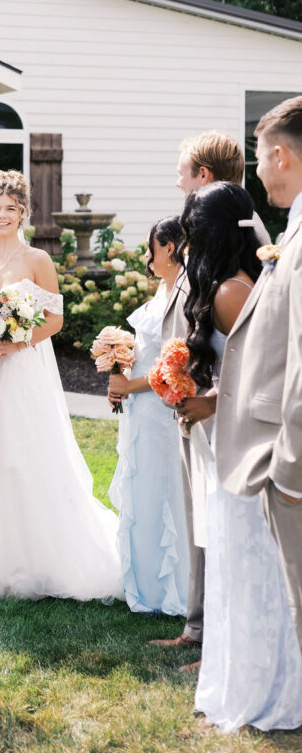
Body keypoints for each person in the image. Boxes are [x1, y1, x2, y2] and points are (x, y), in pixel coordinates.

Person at [0, 170, 123, 601]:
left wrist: (14, 344)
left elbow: (56, 320)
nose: (2, 215)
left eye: (11, 209)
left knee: (24, 456)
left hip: (22, 374)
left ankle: (35, 558)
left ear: (23, 213)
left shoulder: (37, 260)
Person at [178, 180, 302, 730]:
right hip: (229, 436)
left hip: (247, 442)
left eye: (191, 229)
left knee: (252, 568)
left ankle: (265, 691)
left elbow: (253, 370)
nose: (185, 238)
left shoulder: (232, 289)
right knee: (236, 564)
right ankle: (240, 680)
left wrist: (204, 403)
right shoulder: (233, 282)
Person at [214, 95, 302, 652]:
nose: (258, 173)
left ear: (280, 155)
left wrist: (290, 468)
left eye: (258, 159)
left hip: (289, 456)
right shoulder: (290, 229)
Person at [108, 216, 189, 616]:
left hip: (162, 411)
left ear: (170, 248)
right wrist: (119, 367)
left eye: (151, 249)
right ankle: (142, 579)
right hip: (142, 409)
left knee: (164, 490)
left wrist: (130, 386)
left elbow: (174, 366)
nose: (147, 257)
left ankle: (168, 589)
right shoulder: (164, 285)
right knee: (143, 488)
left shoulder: (188, 292)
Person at [175, 129, 269, 245]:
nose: (178, 183)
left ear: (203, 174)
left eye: (180, 174)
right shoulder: (250, 222)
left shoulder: (218, 230)